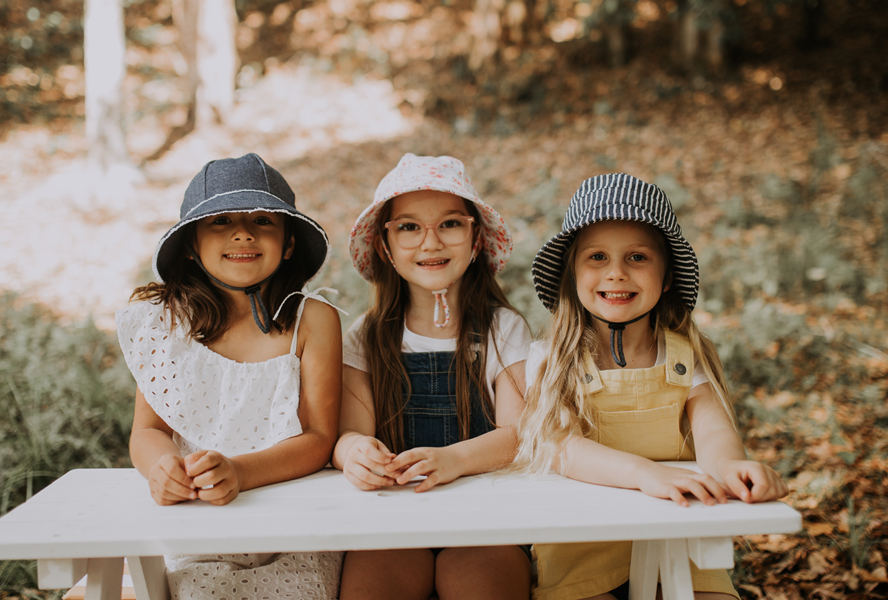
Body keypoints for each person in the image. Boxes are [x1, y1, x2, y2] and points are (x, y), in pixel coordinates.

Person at [514, 173, 789, 600]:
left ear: (666, 278)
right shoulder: (552, 358)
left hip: (676, 534)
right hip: (580, 544)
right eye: (598, 257)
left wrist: (731, 468)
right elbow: (559, 446)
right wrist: (646, 474)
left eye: (637, 258)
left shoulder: (684, 357)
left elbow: (713, 429)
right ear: (572, 274)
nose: (617, 273)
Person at [116, 153, 344, 600]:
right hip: (196, 521)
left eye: (263, 220)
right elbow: (148, 430)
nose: (243, 232)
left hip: (293, 524)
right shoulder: (164, 323)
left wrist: (239, 471)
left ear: (289, 242)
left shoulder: (312, 319)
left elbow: (319, 437)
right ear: (189, 243)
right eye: (220, 220)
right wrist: (161, 467)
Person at [332, 154, 533, 600]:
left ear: (475, 238)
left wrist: (454, 460)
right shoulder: (364, 338)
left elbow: (519, 435)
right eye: (408, 227)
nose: (430, 243)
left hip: (486, 518)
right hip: (394, 516)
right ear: (385, 246)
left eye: (449, 224)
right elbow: (348, 433)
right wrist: (354, 453)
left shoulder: (503, 329)